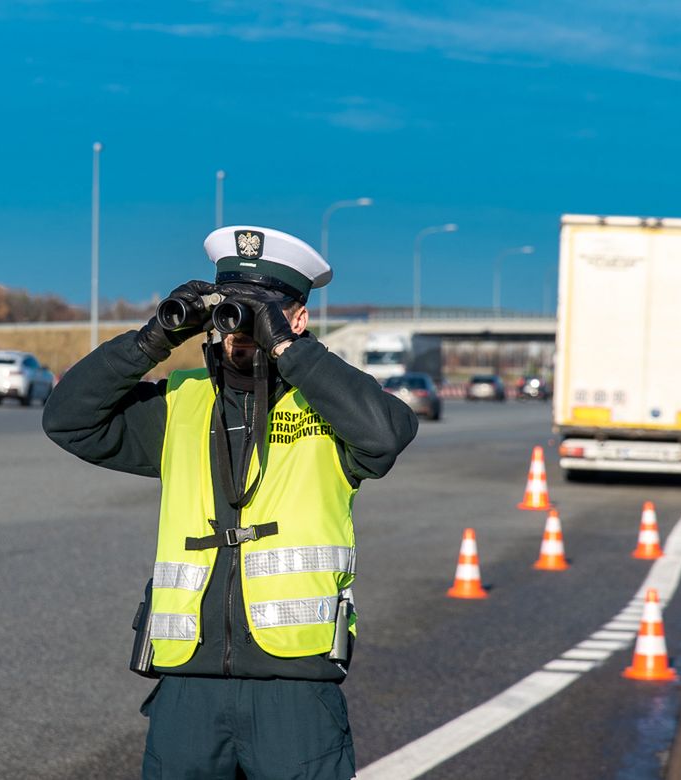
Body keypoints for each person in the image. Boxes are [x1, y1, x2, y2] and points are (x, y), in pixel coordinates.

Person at [42, 225, 419, 779]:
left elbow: (386, 434)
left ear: (299, 317)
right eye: (232, 313)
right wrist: (154, 338)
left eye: (264, 313)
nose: (242, 331)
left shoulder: (328, 407)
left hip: (294, 692)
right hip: (187, 688)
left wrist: (292, 352)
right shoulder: (180, 404)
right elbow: (67, 419)